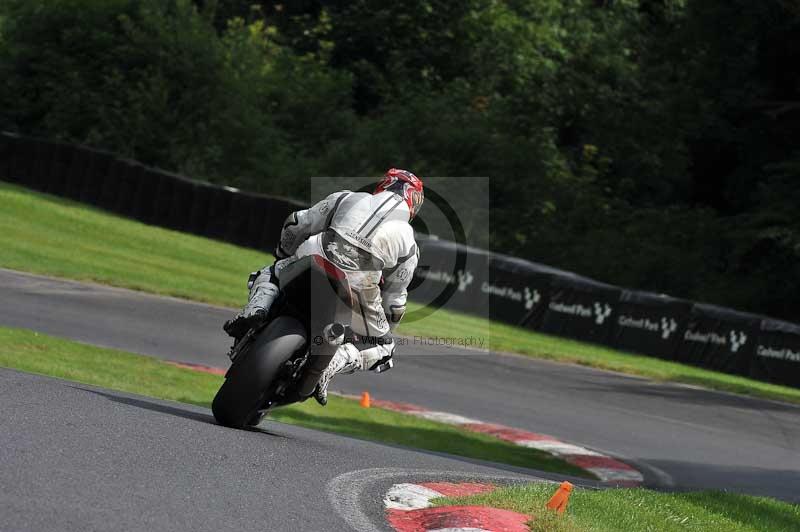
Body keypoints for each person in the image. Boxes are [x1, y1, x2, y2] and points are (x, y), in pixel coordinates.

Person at [223, 168, 423, 405]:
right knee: (384, 346)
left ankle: (255, 310)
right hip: (361, 285)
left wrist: (282, 254)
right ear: (412, 202)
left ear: (383, 185)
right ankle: (334, 364)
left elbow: (296, 223)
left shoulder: (346, 198)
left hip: (315, 254)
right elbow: (396, 299)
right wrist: (385, 326)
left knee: (272, 271)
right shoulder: (408, 241)